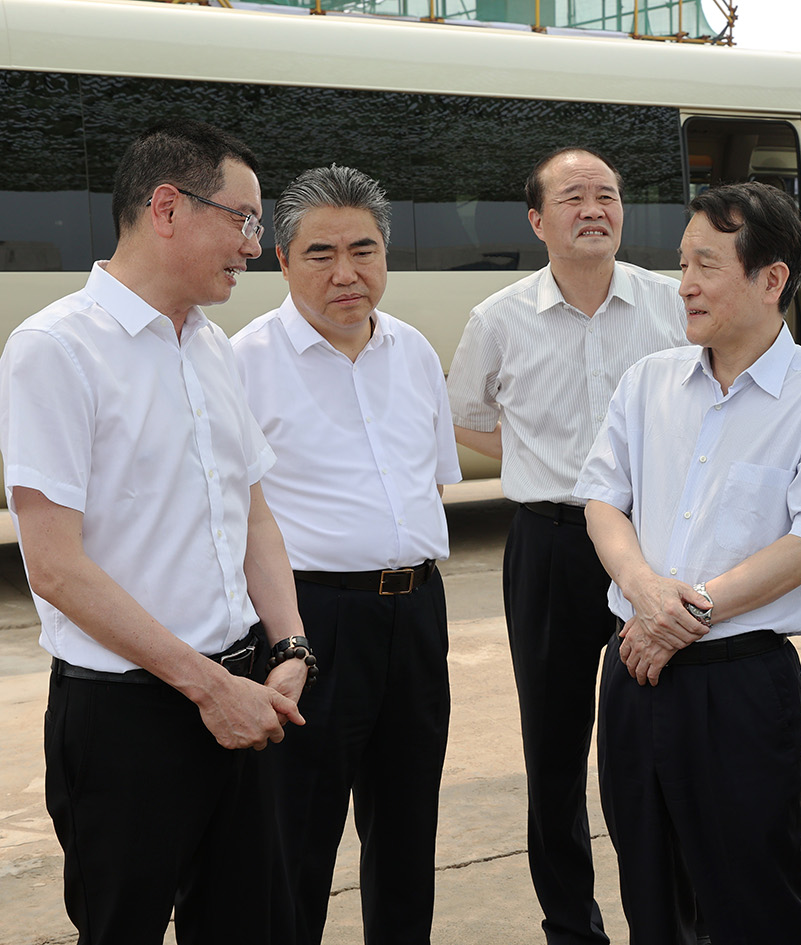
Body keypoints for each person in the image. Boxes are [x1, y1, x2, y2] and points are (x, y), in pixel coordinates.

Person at [0, 118, 309, 944]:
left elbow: (252, 513)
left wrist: (290, 645)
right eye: (243, 219)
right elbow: (55, 567)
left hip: (240, 692)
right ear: (166, 207)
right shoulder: (55, 349)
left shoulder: (212, 347)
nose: (254, 246)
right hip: (126, 717)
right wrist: (207, 688)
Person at [575, 181, 801, 944]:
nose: (684, 284)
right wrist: (645, 592)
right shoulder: (648, 382)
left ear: (771, 278)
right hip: (634, 668)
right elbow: (603, 501)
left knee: (756, 902)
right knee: (650, 898)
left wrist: (684, 613)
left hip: (738, 684)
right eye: (682, 263)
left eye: (706, 264)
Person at [445, 146, 687, 945]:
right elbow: (464, 416)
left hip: (649, 548)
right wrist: (533, 459)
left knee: (654, 744)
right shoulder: (499, 318)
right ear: (536, 220)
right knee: (552, 751)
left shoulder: (668, 303)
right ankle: (571, 928)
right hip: (547, 547)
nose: (593, 210)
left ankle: (673, 921)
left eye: (606, 196)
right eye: (574, 197)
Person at [231, 164, 461, 945]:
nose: (346, 273)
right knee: (297, 837)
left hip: (416, 614)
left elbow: (430, 480)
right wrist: (282, 637)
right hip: (309, 623)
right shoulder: (243, 361)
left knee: (407, 832)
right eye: (321, 253)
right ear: (281, 259)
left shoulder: (414, 351)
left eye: (363, 250)